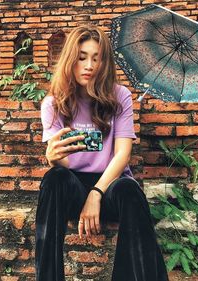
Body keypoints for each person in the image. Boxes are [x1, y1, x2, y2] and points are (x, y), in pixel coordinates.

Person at [35, 25, 169, 281]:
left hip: (110, 186)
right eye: (82, 57)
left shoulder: (120, 96)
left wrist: (96, 193)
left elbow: (122, 155)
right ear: (70, 60)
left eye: (97, 58)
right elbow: (62, 162)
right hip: (72, 185)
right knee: (54, 179)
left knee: (130, 190)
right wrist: (53, 157)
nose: (89, 65)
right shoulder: (54, 103)